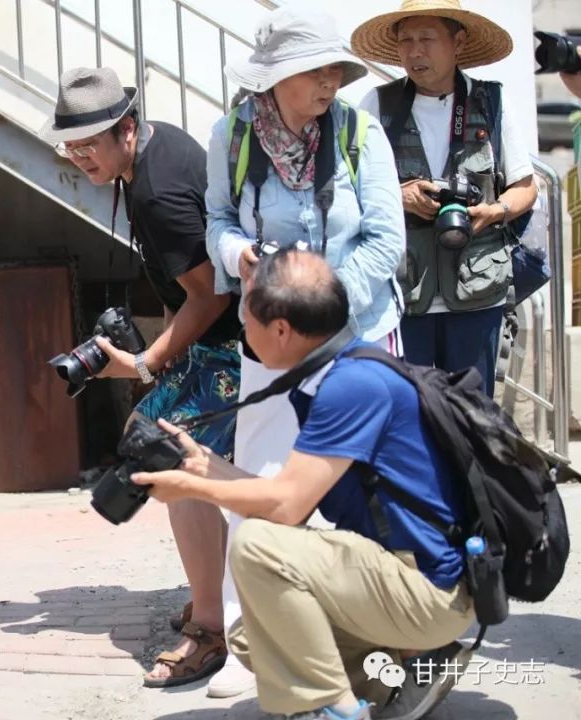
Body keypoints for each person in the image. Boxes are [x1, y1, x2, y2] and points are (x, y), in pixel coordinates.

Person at [133, 250, 474, 720]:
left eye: (245, 321)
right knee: (254, 636)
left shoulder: (353, 385)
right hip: (399, 573)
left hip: (430, 590)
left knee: (256, 544)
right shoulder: (333, 373)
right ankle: (406, 670)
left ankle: (332, 709)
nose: (243, 336)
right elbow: (291, 493)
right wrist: (200, 463)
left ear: (280, 330)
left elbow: (287, 504)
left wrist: (195, 489)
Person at [203, 5, 405, 697]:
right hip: (270, 338)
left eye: (336, 72)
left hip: (357, 335)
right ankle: (246, 643)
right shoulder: (230, 137)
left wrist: (314, 301)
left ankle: (375, 640)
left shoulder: (359, 132)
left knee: (364, 491)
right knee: (254, 482)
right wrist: (241, 255)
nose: (331, 84)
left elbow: (387, 241)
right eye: (317, 71)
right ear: (279, 77)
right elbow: (218, 223)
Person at [40, 67, 244, 692]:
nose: (80, 158)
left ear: (127, 129)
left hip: (235, 347)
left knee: (167, 459)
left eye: (90, 145)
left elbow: (207, 295)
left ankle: (211, 627)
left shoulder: (153, 191)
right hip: (230, 342)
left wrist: (151, 360)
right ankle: (218, 598)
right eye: (71, 147)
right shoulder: (158, 148)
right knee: (183, 464)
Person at [352, 0, 538, 396]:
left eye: (426, 39)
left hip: (478, 292)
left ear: (458, 42)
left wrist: (495, 211)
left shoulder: (491, 103)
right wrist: (397, 196)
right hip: (402, 295)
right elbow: (345, 189)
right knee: (407, 419)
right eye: (405, 41)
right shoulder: (377, 106)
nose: (414, 51)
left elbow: (526, 186)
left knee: (471, 419)